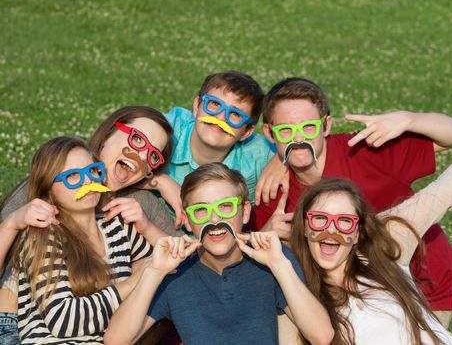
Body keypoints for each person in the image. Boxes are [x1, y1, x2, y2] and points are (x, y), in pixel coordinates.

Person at [288, 85, 452, 344]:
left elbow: (449, 186)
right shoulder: (300, 291)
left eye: (344, 221)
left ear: (358, 232)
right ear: (304, 227)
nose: (330, 230)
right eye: (320, 219)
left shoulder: (383, 249)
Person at [252, 77, 452, 325]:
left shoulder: (365, 150)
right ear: (269, 133)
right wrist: (267, 235)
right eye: (286, 130)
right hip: (345, 301)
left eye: (309, 127)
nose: (299, 138)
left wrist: (409, 119)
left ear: (326, 126)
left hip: (420, 289)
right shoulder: (271, 191)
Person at [103, 163, 334, 345]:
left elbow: (321, 336)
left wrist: (280, 266)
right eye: (201, 210)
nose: (214, 221)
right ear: (187, 218)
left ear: (244, 212)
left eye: (225, 207)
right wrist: (154, 272)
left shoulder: (270, 258)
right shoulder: (175, 272)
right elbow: (116, 340)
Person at [0, 106, 176, 343]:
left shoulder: (132, 211)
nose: (142, 156)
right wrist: (12, 223)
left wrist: (158, 190)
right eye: (137, 139)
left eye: (153, 156)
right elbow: (63, 319)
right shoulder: (42, 214)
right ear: (107, 135)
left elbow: (178, 261)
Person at [163, 71, 285, 202]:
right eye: (215, 104)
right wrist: (160, 180)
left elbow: (303, 148)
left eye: (235, 114)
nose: (220, 118)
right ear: (197, 106)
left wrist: (282, 160)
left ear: (246, 132)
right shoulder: (169, 128)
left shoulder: (258, 154)